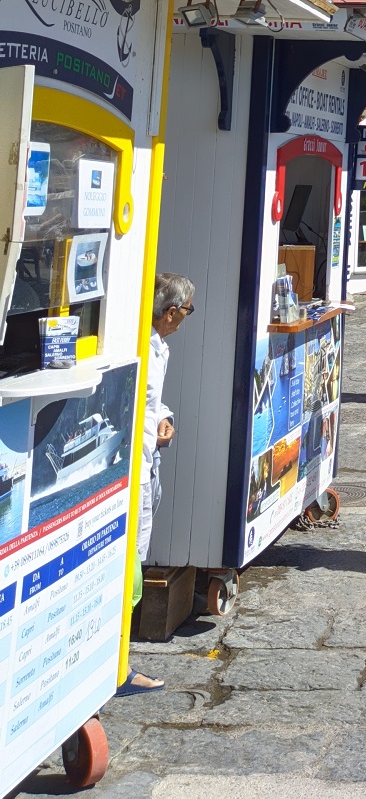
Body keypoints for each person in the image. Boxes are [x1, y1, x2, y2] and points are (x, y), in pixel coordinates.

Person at [121, 273, 195, 695]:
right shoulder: (143, 345)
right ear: (170, 312)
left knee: (136, 556)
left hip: (147, 458)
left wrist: (164, 418)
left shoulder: (155, 344)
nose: (184, 320)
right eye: (185, 312)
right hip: (136, 465)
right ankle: (119, 666)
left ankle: (120, 661)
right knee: (132, 559)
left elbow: (151, 401)